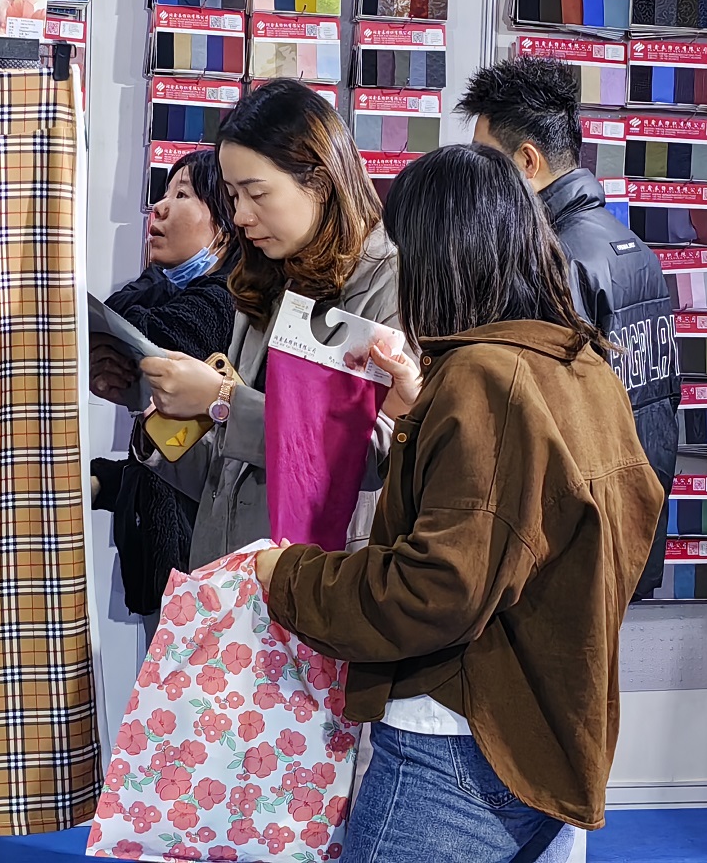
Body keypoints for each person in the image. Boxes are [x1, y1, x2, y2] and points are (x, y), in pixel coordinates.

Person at [254, 145, 664, 863]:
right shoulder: (582, 366)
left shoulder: (484, 377)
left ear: (440, 257)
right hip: (543, 731)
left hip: (455, 744)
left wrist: (288, 577)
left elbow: (435, 587)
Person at [135, 78, 403, 569]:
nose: (240, 216)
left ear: (319, 181)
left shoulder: (387, 278)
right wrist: (159, 420)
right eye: (232, 196)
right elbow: (227, 478)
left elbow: (375, 456)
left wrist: (222, 401)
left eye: (256, 193)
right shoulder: (264, 279)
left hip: (320, 577)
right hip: (230, 581)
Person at [457, 56, 679, 600]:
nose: (482, 180)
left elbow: (546, 422)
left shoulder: (551, 259)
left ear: (527, 161)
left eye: (488, 161)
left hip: (575, 545)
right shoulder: (635, 250)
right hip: (631, 520)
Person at [90, 151, 238, 637]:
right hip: (175, 573)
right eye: (164, 192)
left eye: (183, 194)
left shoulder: (225, 299)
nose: (160, 207)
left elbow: (138, 327)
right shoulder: (178, 291)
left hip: (205, 575)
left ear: (225, 224)